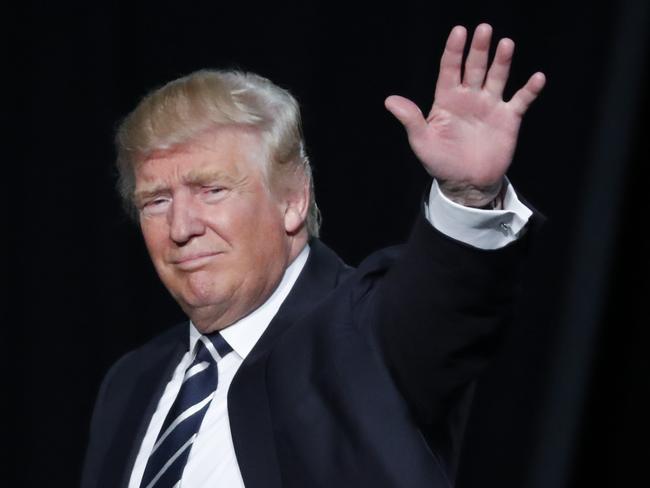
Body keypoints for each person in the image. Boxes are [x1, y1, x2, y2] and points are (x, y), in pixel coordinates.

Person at [81, 23, 545, 488]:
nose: (181, 228)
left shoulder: (366, 331)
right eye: (156, 201)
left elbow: (446, 302)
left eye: (213, 190)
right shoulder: (130, 383)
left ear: (293, 200)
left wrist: (467, 195)